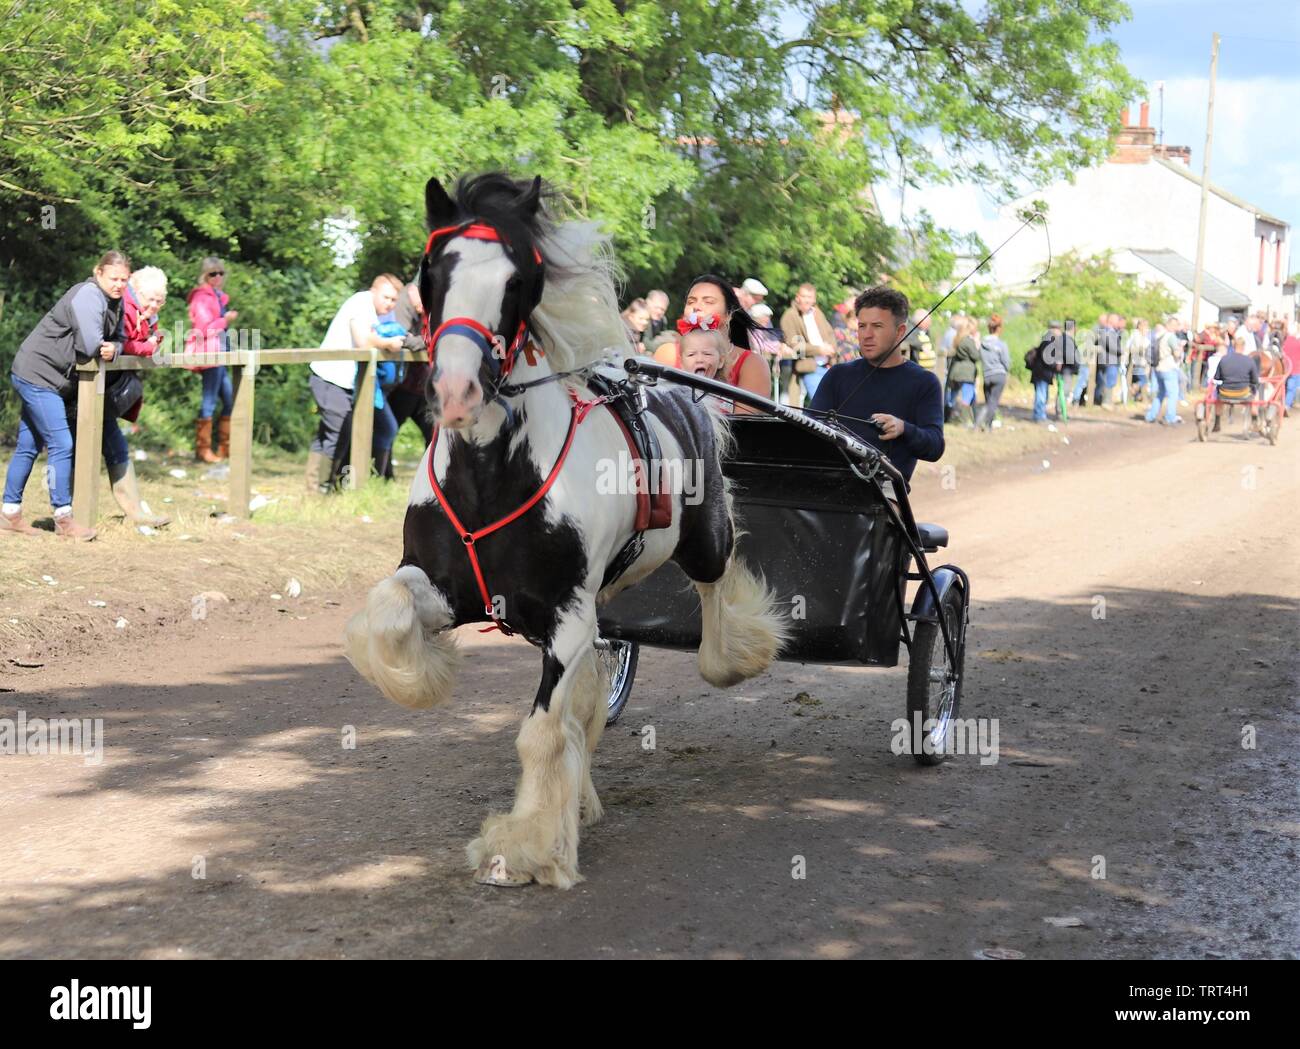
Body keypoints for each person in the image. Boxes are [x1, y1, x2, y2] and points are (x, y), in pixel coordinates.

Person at [2, 251, 131, 540]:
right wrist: (105, 347)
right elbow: (89, 345)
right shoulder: (88, 295)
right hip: (38, 375)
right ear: (98, 273)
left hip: (45, 376)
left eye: (124, 279)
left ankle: (9, 513)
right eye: (114, 278)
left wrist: (116, 349)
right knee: (61, 443)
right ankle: (63, 518)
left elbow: (119, 339)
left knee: (28, 445)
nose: (119, 284)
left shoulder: (116, 301)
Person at [809, 286, 944, 502]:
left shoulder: (924, 383)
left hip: (886, 497)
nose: (867, 335)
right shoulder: (837, 375)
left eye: (877, 326)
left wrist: (904, 428)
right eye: (862, 326)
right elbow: (809, 430)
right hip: (828, 488)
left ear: (900, 332)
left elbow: (935, 446)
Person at [306, 274, 404, 493]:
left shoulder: (373, 311)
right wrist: (388, 343)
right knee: (338, 434)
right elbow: (363, 342)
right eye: (386, 297)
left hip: (339, 380)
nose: (389, 304)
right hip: (330, 378)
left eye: (393, 300)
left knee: (329, 434)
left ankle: (318, 488)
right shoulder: (361, 303)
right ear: (373, 291)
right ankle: (321, 489)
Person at [98, 265, 170, 528]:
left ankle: (136, 513)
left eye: (159, 300)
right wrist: (149, 348)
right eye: (150, 299)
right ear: (136, 291)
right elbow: (124, 343)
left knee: (117, 448)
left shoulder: (145, 313)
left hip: (106, 388)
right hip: (89, 385)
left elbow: (146, 340)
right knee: (70, 448)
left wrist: (154, 342)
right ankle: (64, 511)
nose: (154, 305)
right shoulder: (124, 307)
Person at [654, 275, 769, 410]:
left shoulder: (752, 363)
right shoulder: (668, 353)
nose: (696, 307)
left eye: (708, 302)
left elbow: (747, 427)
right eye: (691, 302)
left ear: (728, 314)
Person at [186, 256, 239, 463]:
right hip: (209, 354)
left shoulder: (218, 296)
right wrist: (225, 320)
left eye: (220, 273)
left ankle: (224, 447)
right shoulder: (202, 297)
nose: (217, 277)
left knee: (229, 400)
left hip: (220, 354)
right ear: (204, 275)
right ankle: (203, 450)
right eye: (212, 273)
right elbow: (203, 329)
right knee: (209, 401)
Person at [384, 281, 433, 460]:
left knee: (434, 431)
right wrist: (429, 341)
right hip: (403, 385)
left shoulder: (429, 305)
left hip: (423, 384)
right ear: (414, 290)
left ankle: (431, 473)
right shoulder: (403, 302)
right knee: (388, 430)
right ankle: (382, 475)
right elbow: (403, 339)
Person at [779, 283, 836, 404]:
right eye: (803, 296)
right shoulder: (790, 316)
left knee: (833, 404)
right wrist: (819, 350)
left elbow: (830, 334)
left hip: (827, 366)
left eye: (809, 297)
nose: (806, 300)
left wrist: (832, 349)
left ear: (814, 299)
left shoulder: (818, 314)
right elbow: (794, 344)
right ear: (797, 297)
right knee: (821, 404)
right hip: (809, 367)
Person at [1026, 322, 1070, 423]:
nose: (1060, 332)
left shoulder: (1049, 340)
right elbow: (1047, 359)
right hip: (1042, 374)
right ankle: (1039, 416)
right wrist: (1056, 364)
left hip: (1043, 374)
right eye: (1059, 329)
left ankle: (1040, 415)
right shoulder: (1049, 341)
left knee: (1043, 395)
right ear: (1054, 329)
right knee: (1041, 396)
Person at [1144, 318, 1184, 425]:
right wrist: (1180, 351)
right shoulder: (1171, 337)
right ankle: (1170, 417)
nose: (1176, 327)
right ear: (1171, 325)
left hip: (1157, 368)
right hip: (1168, 368)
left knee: (1160, 393)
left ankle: (1150, 416)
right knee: (1173, 394)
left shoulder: (1158, 335)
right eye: (1176, 325)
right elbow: (1176, 354)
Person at [976, 314, 1010, 431]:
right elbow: (1006, 362)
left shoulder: (982, 343)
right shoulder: (1001, 344)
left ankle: (980, 423)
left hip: (987, 375)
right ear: (999, 328)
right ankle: (986, 425)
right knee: (993, 401)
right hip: (999, 374)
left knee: (988, 401)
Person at [945, 316, 980, 425]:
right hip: (966, 373)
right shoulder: (968, 341)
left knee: (953, 396)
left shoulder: (957, 338)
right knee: (967, 396)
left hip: (956, 372)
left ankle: (948, 417)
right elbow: (976, 356)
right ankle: (964, 420)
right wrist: (977, 343)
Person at [1127, 319, 1150, 403]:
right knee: (1143, 380)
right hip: (1137, 362)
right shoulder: (1136, 335)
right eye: (1145, 326)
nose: (1147, 328)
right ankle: (1133, 389)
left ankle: (1135, 397)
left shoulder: (1140, 335)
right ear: (1140, 326)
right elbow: (1139, 347)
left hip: (1139, 362)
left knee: (1137, 379)